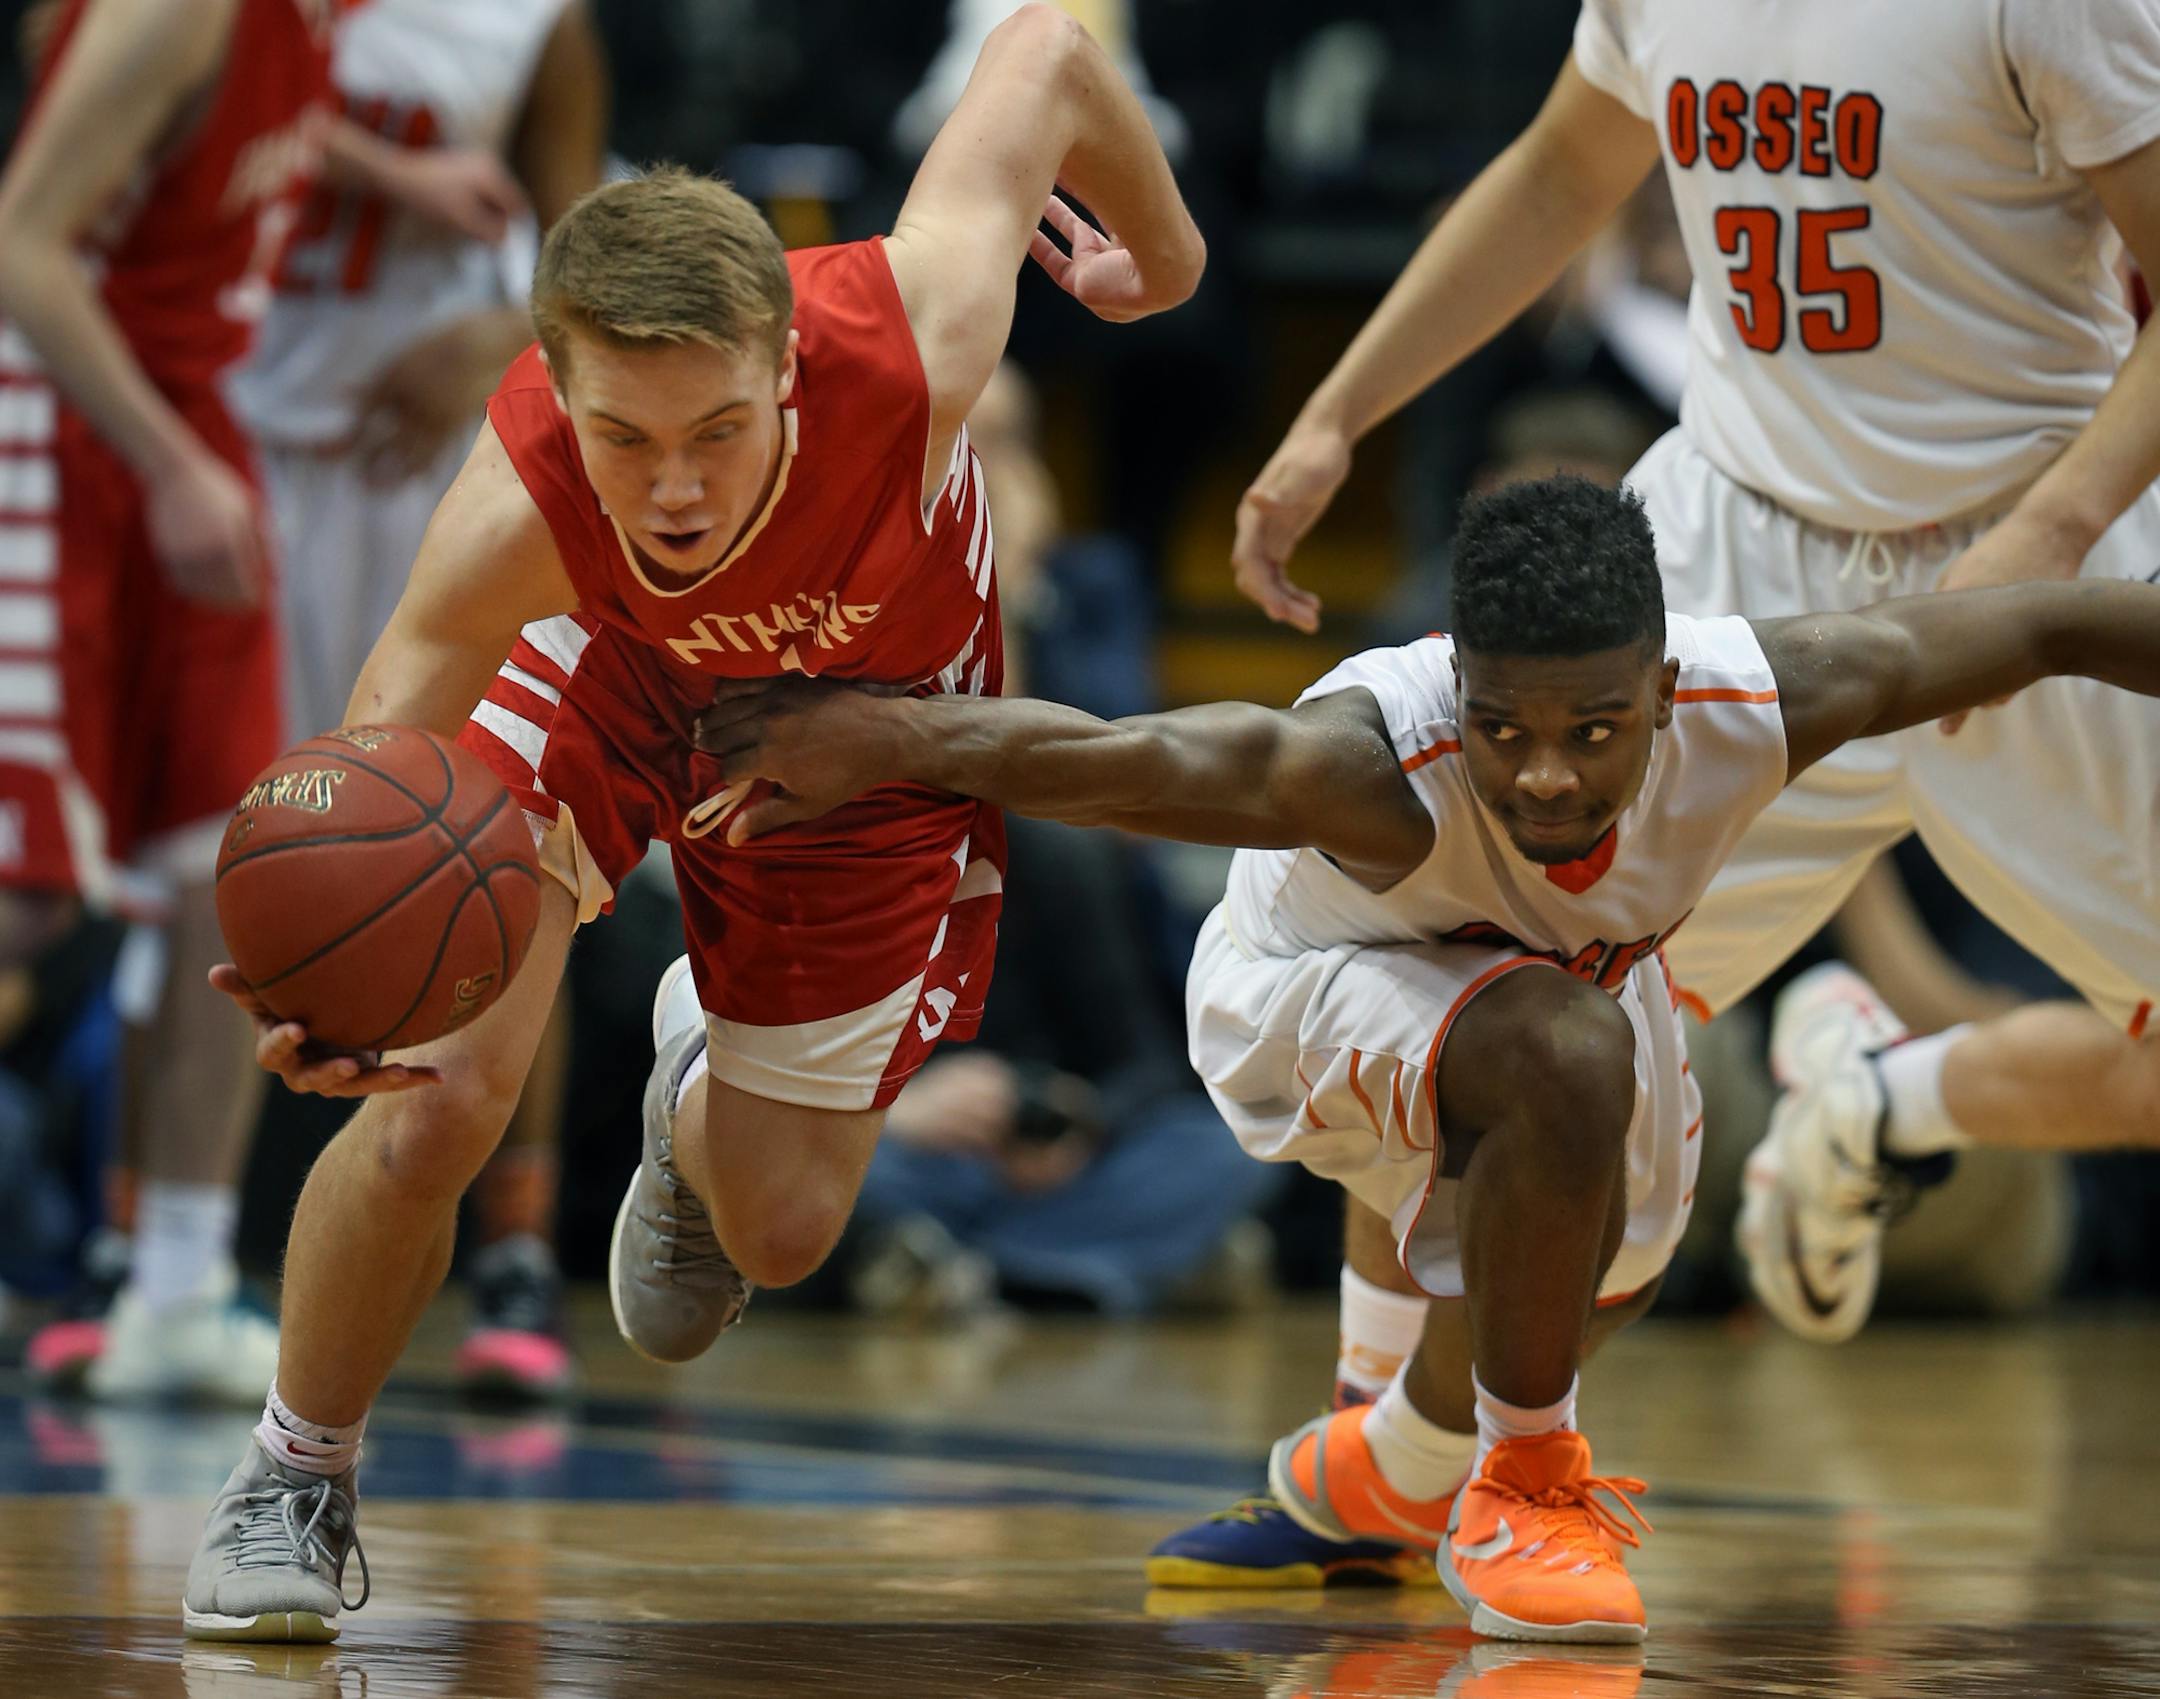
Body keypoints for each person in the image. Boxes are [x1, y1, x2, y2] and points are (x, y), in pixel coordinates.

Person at [693, 473, 2160, 1641]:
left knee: (1602, 1261)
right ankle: (1525, 1489)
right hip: (1287, 994)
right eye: (1504, 727)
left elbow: (2054, 628)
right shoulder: (1369, 762)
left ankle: (1378, 1474)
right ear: (1458, 690)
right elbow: (1132, 758)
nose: (1544, 774)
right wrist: (887, 732)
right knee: (1553, 1053)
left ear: (1663, 691)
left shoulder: (1763, 703)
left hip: (1518, 993)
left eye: (1594, 729)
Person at [177, 4, 1204, 1643]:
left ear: (788, 366)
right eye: (623, 438)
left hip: (874, 717)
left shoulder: (921, 327)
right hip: (608, 679)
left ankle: (693, 1086)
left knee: (780, 1238)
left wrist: (1168, 252)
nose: (671, 488)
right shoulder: (524, 506)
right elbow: (389, 752)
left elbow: (1049, 47)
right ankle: (293, 1473)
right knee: (443, 1103)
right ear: (561, 393)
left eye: (717, 433)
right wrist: (337, 992)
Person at [1170, 0, 2160, 1585]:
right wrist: (1338, 409)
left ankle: (1885, 1107)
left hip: (2034, 540)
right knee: (1462, 963)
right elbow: (1563, 174)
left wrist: (2043, 550)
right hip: (1739, 550)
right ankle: (1388, 1444)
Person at [229, 0, 609, 1400]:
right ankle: (200, 1240)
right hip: (250, 437)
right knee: (262, 845)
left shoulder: (533, 18)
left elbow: (592, 252)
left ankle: (513, 1245)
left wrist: (500, 336)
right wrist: (376, 169)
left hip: (449, 449)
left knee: (489, 838)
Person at [0, 0, 340, 1402]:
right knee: (24, 889)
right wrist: (167, 465)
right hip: (61, 419)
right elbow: (19, 242)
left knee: (229, 863)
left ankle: (179, 1290)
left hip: (180, 414)